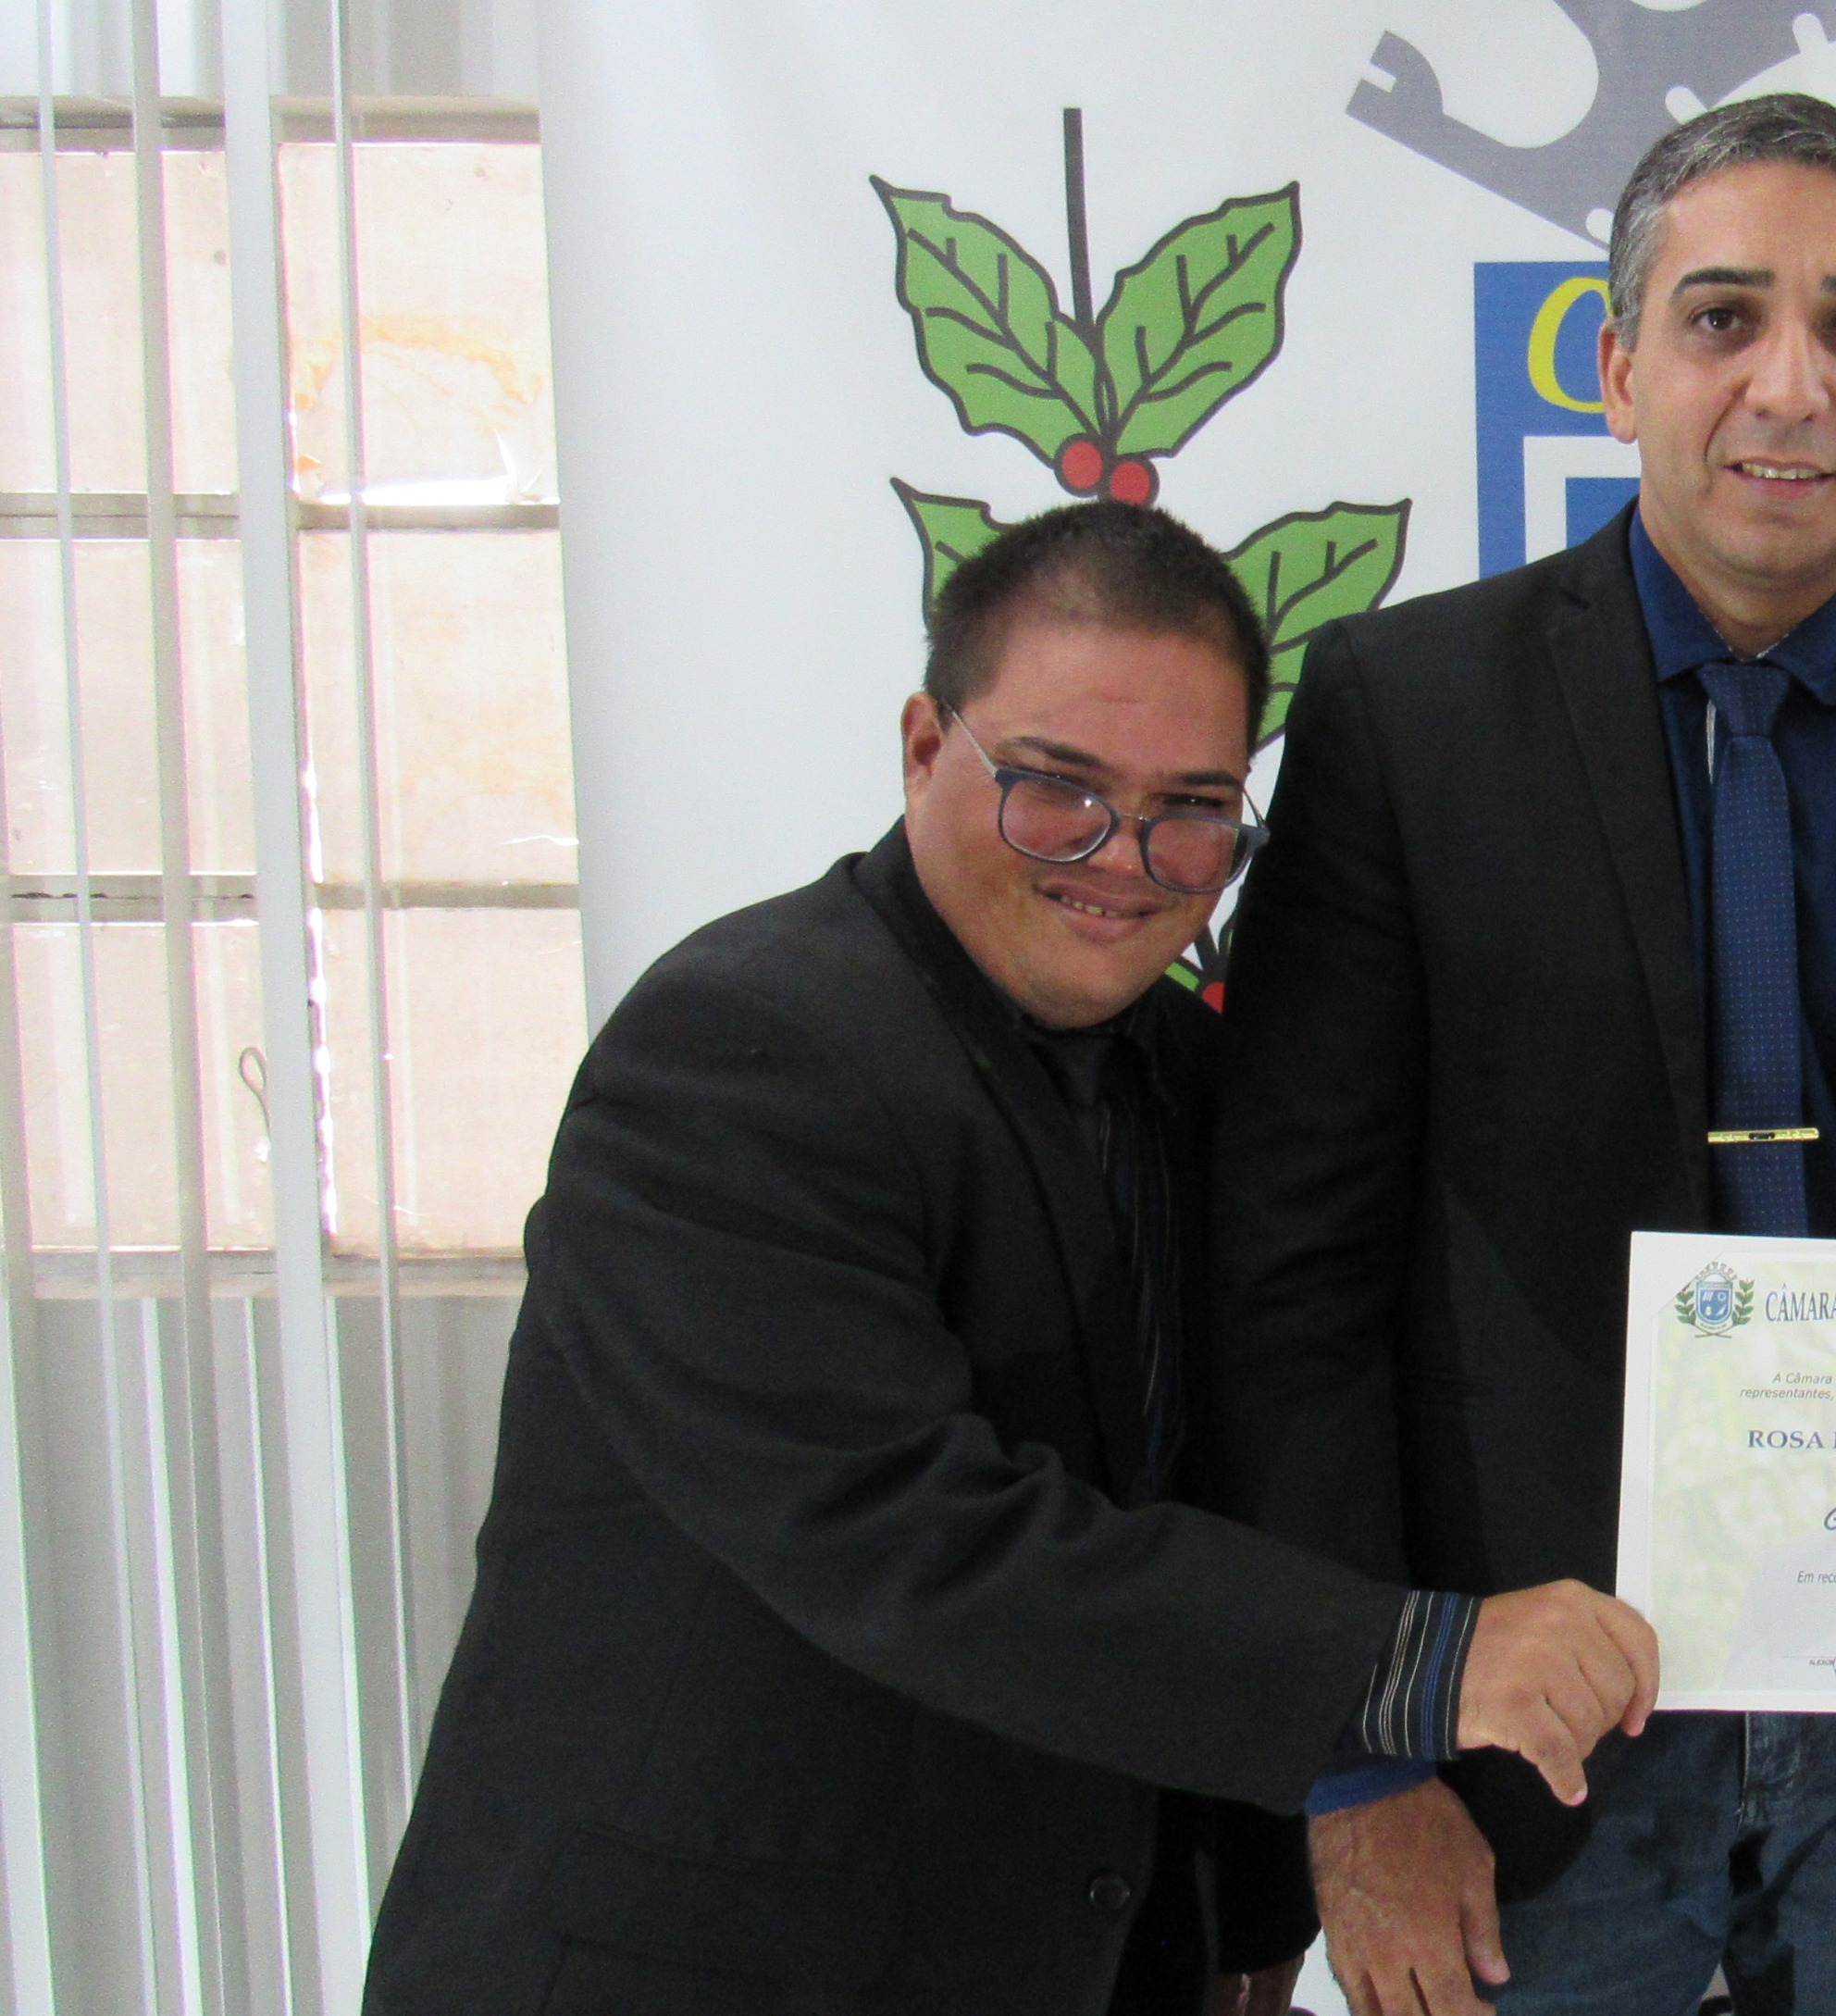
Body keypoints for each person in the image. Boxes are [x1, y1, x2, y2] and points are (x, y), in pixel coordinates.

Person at [364, 504, 1657, 2016]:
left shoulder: (1194, 1075)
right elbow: (923, 1539)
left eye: (1191, 809)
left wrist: (1246, 1905)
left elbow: (1231, 1487)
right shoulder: (738, 1054)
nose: (1123, 860)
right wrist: (1424, 1661)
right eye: (1058, 789)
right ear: (926, 746)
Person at [1212, 94, 1836, 2016]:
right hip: (1526, 1746)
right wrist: (1359, 1762)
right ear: (1617, 367)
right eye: (1724, 317)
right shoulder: (1404, 715)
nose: (1789, 385)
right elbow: (1292, 1273)